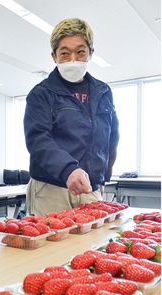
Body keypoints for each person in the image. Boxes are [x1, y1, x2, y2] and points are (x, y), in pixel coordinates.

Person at [24, 18, 119, 216]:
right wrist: (68, 170)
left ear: (91, 53)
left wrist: (102, 178)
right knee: (52, 245)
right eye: (65, 54)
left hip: (89, 188)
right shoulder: (41, 94)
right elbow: (38, 140)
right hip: (51, 188)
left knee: (93, 244)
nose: (73, 59)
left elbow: (110, 138)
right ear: (54, 56)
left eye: (80, 52)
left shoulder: (103, 91)